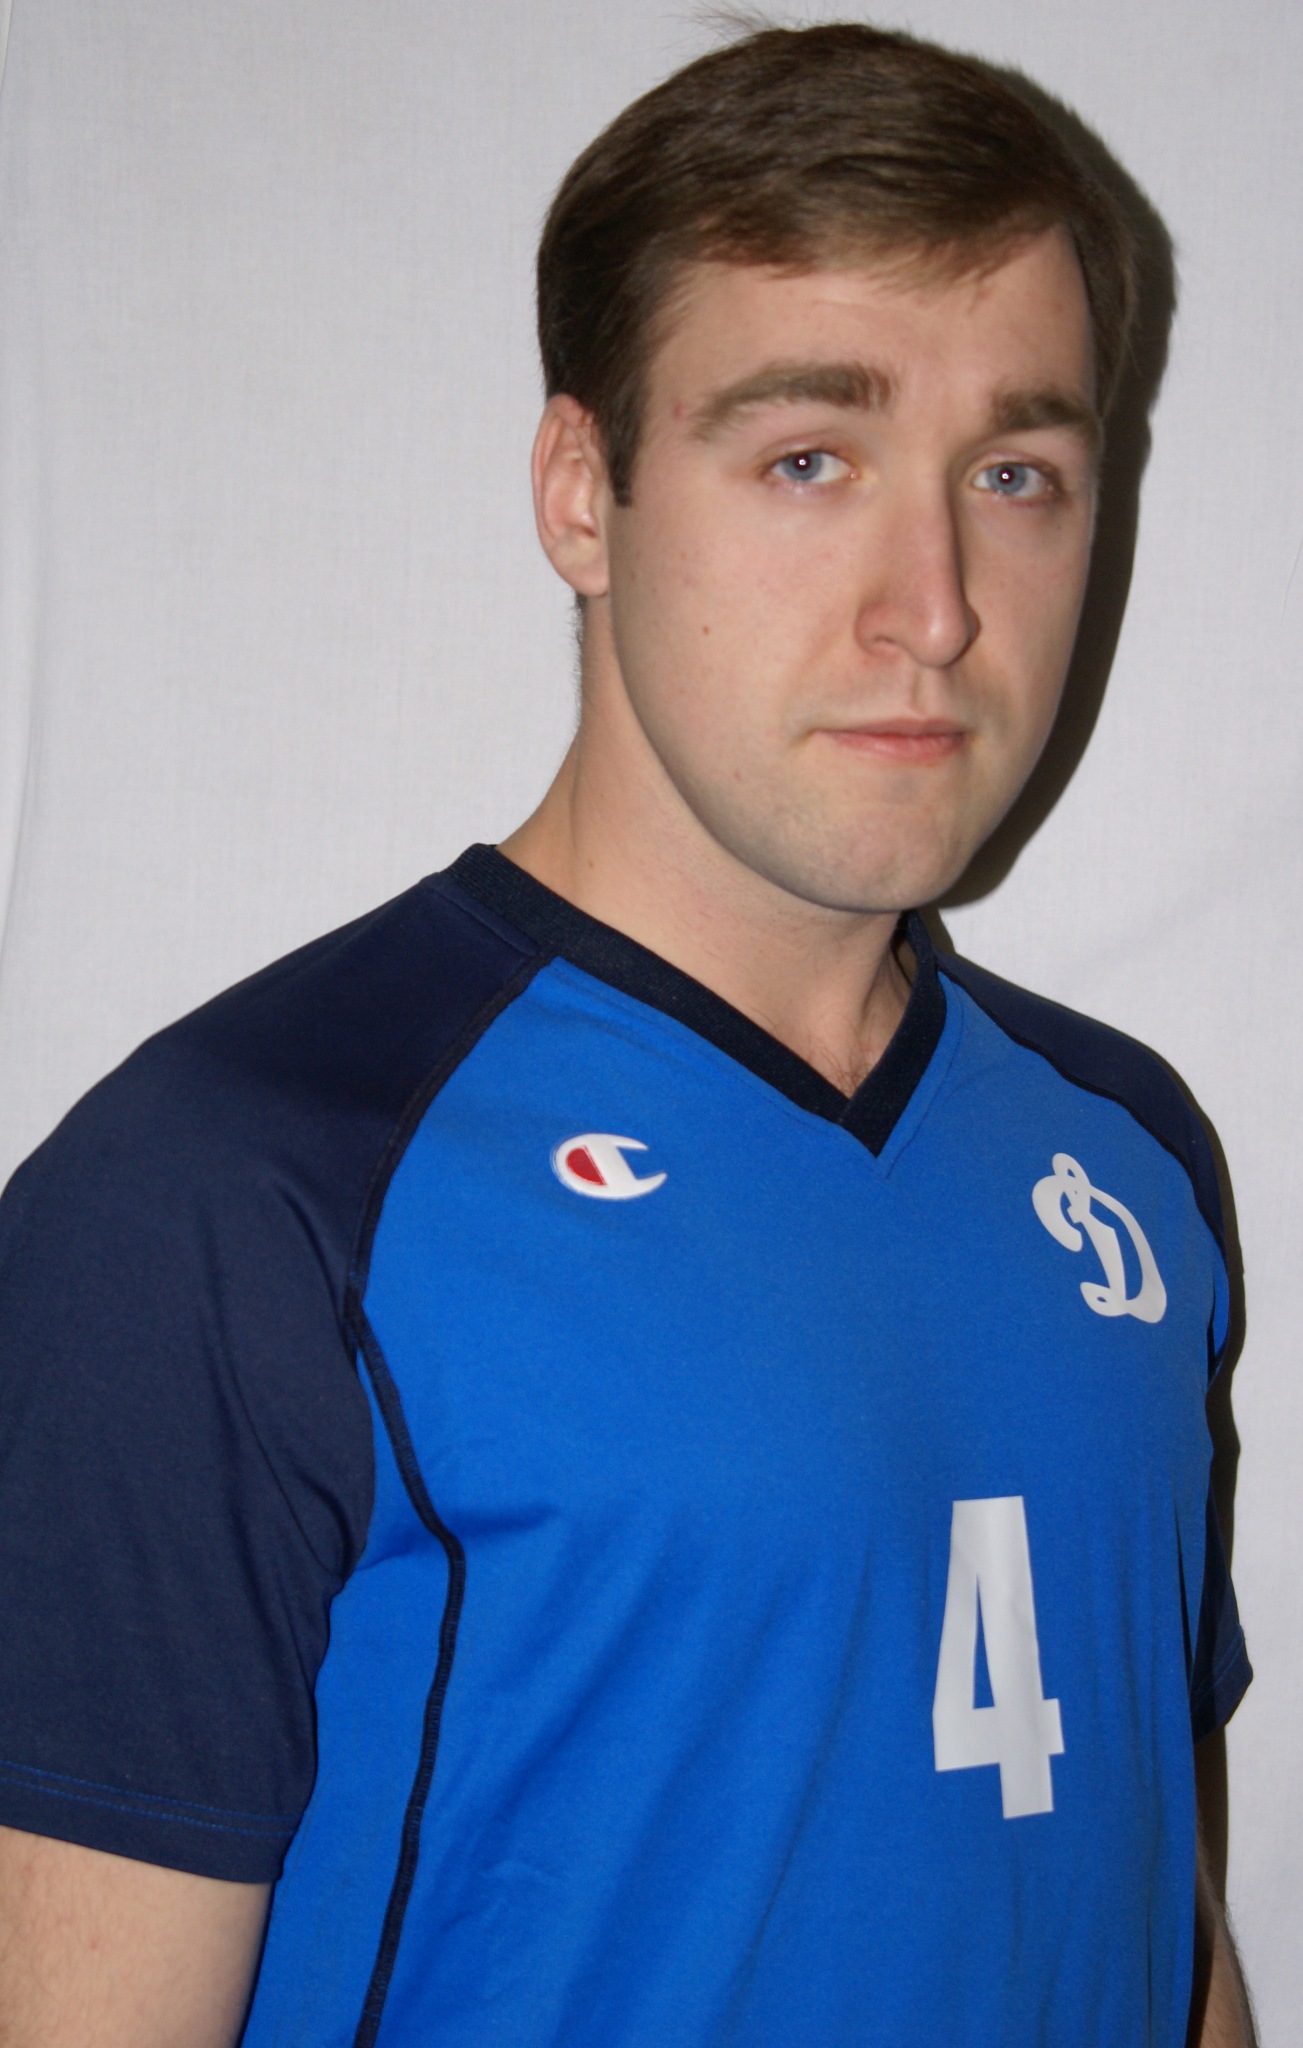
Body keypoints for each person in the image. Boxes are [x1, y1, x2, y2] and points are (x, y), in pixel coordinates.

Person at [0, 21, 1255, 2046]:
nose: (935, 606)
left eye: (1016, 474)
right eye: (808, 459)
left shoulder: (1128, 1156)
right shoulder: (240, 1196)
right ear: (581, 494)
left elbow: (1157, 1919)